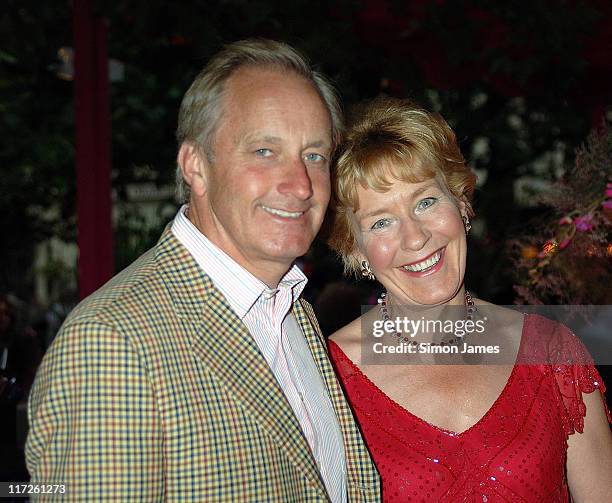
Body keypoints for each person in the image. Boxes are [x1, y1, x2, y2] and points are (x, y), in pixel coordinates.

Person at [26, 39, 380, 502]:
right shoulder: (113, 341)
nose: (300, 185)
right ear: (195, 165)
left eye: (314, 155)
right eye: (264, 151)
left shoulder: (291, 311)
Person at [326, 97, 612, 502]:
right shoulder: (327, 380)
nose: (415, 237)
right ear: (356, 251)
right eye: (382, 222)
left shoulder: (552, 355)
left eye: (426, 201)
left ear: (461, 204)